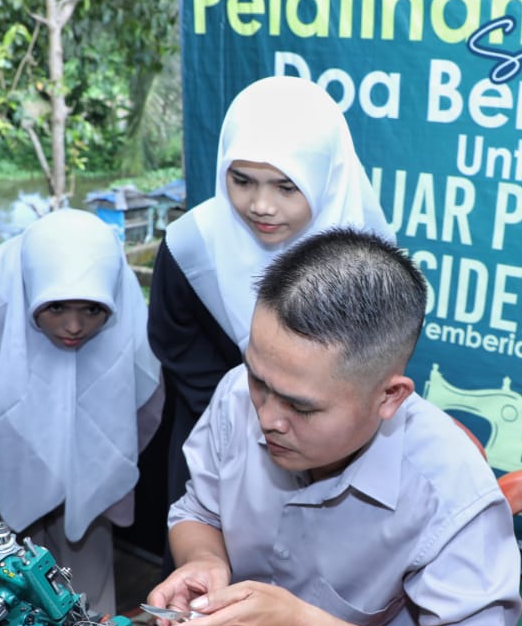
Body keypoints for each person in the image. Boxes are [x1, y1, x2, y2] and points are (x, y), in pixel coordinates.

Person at [144, 227, 521, 626]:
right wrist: (204, 562)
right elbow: (198, 512)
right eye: (258, 379)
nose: (268, 417)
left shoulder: (448, 488)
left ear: (388, 397)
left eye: (301, 406)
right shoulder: (236, 396)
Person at [148, 75, 392, 515]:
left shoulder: (367, 260)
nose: (261, 205)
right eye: (242, 181)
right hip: (212, 446)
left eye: (285, 186)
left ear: (327, 177)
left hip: (332, 456)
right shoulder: (190, 246)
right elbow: (177, 348)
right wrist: (251, 423)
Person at [0, 208, 163, 615]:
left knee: (84, 556)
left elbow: (142, 394)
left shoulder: (123, 299)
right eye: (56, 307)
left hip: (86, 453)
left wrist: (89, 468)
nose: (75, 327)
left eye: (94, 310)